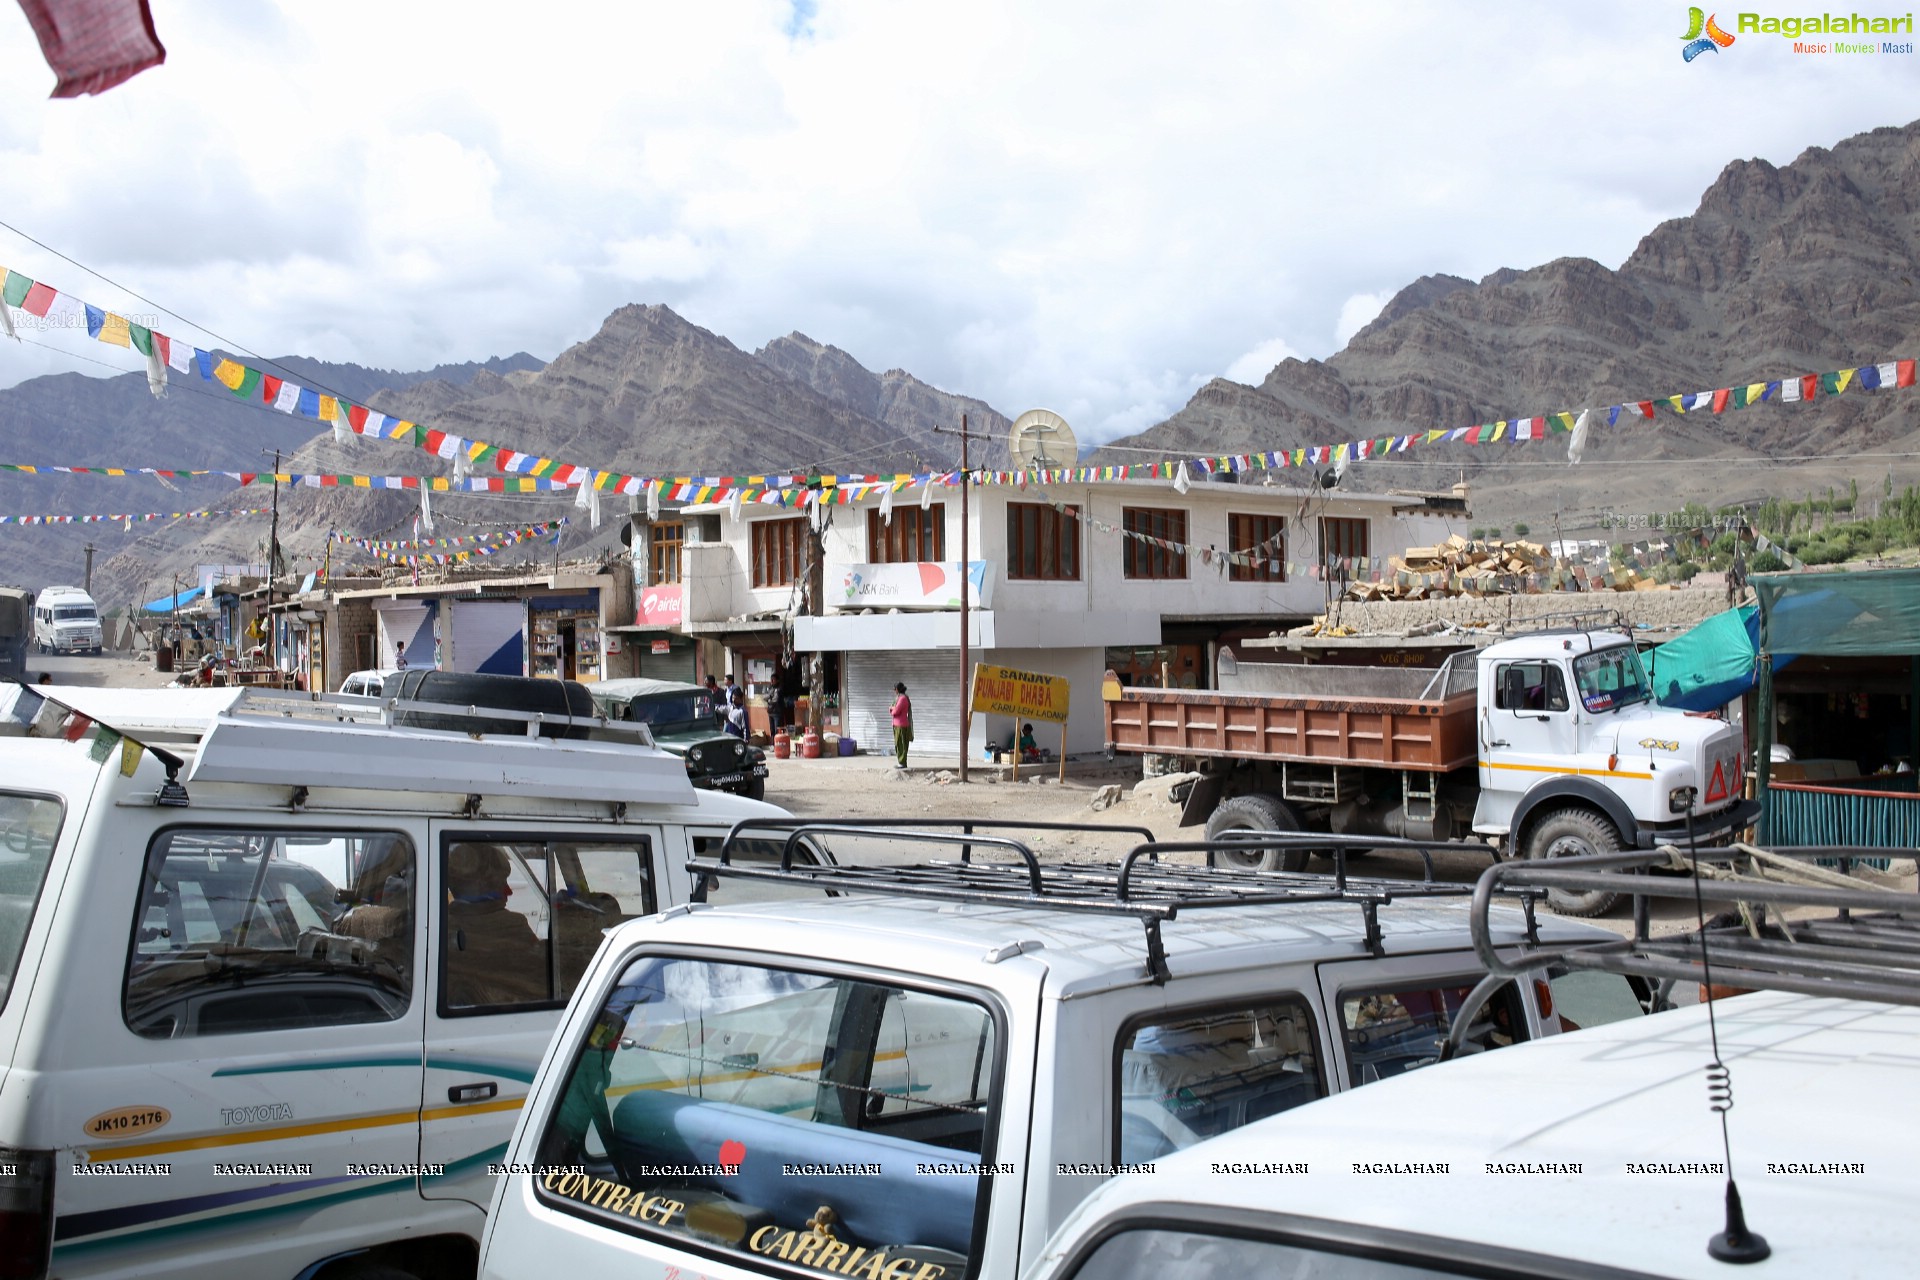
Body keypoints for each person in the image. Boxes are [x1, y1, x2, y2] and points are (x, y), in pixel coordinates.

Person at [891, 682, 913, 769]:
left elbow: (895, 711)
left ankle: (902, 763)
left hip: (901, 725)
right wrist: (893, 709)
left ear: (898, 689)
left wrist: (892, 709)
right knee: (899, 743)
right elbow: (894, 709)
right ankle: (901, 762)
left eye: (895, 689)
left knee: (901, 744)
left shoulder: (903, 698)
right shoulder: (900, 697)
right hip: (898, 724)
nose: (894, 690)